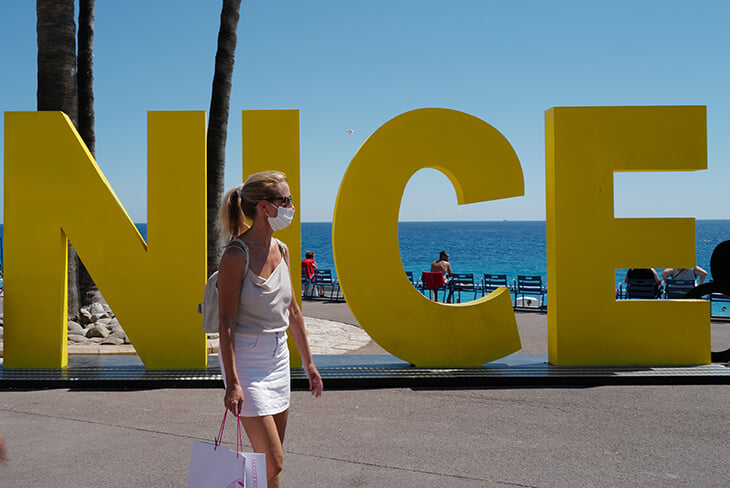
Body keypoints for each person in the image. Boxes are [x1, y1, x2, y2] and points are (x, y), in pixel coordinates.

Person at [217, 171, 323, 488]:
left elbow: (293, 311)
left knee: (270, 467)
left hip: (278, 357)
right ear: (264, 207)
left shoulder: (283, 250)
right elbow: (226, 322)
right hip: (246, 362)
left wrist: (309, 363)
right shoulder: (236, 255)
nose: (291, 206)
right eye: (285, 200)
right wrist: (232, 383)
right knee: (273, 460)